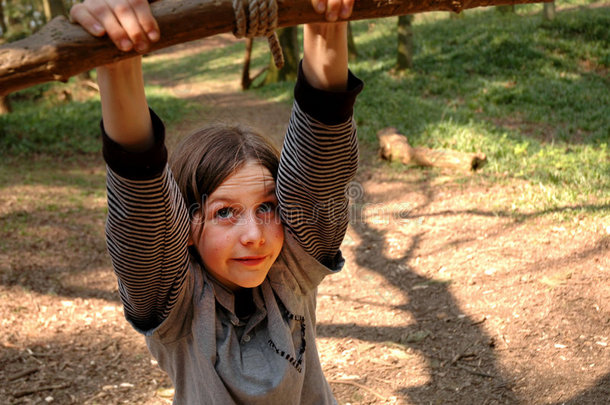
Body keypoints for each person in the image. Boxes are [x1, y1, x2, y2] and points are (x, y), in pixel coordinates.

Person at [70, 0, 363, 403]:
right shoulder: (177, 307)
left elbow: (319, 171)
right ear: (186, 227)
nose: (255, 236)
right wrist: (116, 59)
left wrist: (324, 17)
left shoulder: (290, 269)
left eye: (267, 207)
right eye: (225, 212)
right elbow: (143, 207)